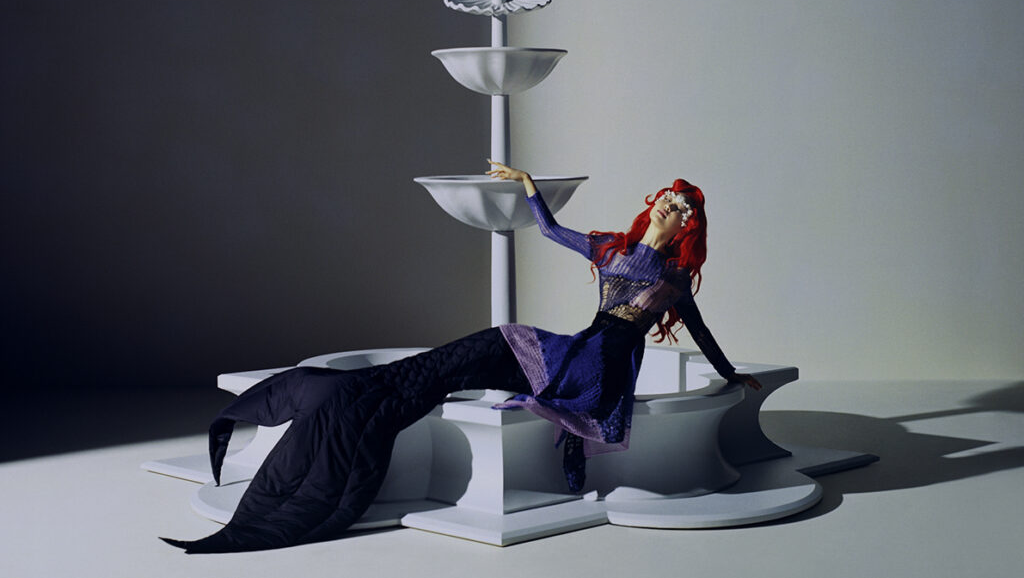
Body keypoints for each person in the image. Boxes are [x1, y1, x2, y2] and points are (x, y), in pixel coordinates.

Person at [162, 161, 759, 553]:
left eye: (681, 207)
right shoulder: (612, 247)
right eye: (667, 198)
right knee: (465, 358)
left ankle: (366, 400)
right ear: (653, 203)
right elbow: (551, 231)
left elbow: (701, 331)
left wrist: (730, 373)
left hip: (595, 368)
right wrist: (526, 184)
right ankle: (362, 401)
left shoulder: (673, 279)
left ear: (687, 227)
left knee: (477, 356)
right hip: (568, 351)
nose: (669, 206)